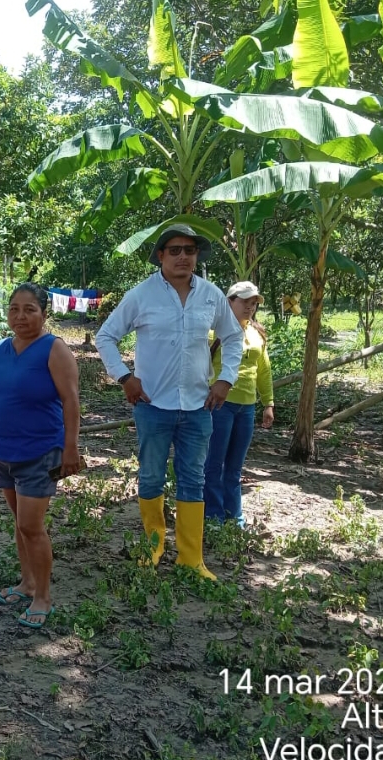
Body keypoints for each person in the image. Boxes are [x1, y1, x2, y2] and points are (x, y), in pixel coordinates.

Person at [95, 223, 243, 579]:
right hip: (152, 406)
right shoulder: (141, 295)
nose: (183, 257)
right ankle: (153, 549)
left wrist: (225, 379)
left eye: (189, 250)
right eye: (174, 250)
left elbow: (233, 337)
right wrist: (125, 377)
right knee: (151, 477)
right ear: (160, 256)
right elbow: (106, 336)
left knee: (193, 479)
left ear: (196, 256)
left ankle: (191, 558)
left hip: (198, 407)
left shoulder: (210, 295)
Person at [0, 283, 81, 629]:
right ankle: (27, 583)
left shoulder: (54, 349)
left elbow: (71, 400)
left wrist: (71, 448)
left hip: (39, 452)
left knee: (31, 526)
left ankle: (42, 597)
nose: (20, 316)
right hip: (0, 451)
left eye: (29, 309)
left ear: (44, 314)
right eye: (14, 309)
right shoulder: (1, 349)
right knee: (20, 523)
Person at [204, 281, 274, 527]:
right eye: (245, 301)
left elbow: (263, 370)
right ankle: (213, 517)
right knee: (213, 464)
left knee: (234, 467)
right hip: (219, 407)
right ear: (229, 301)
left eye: (254, 303)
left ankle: (235, 518)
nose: (250, 307)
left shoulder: (257, 334)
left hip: (246, 408)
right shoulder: (213, 333)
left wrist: (268, 403)